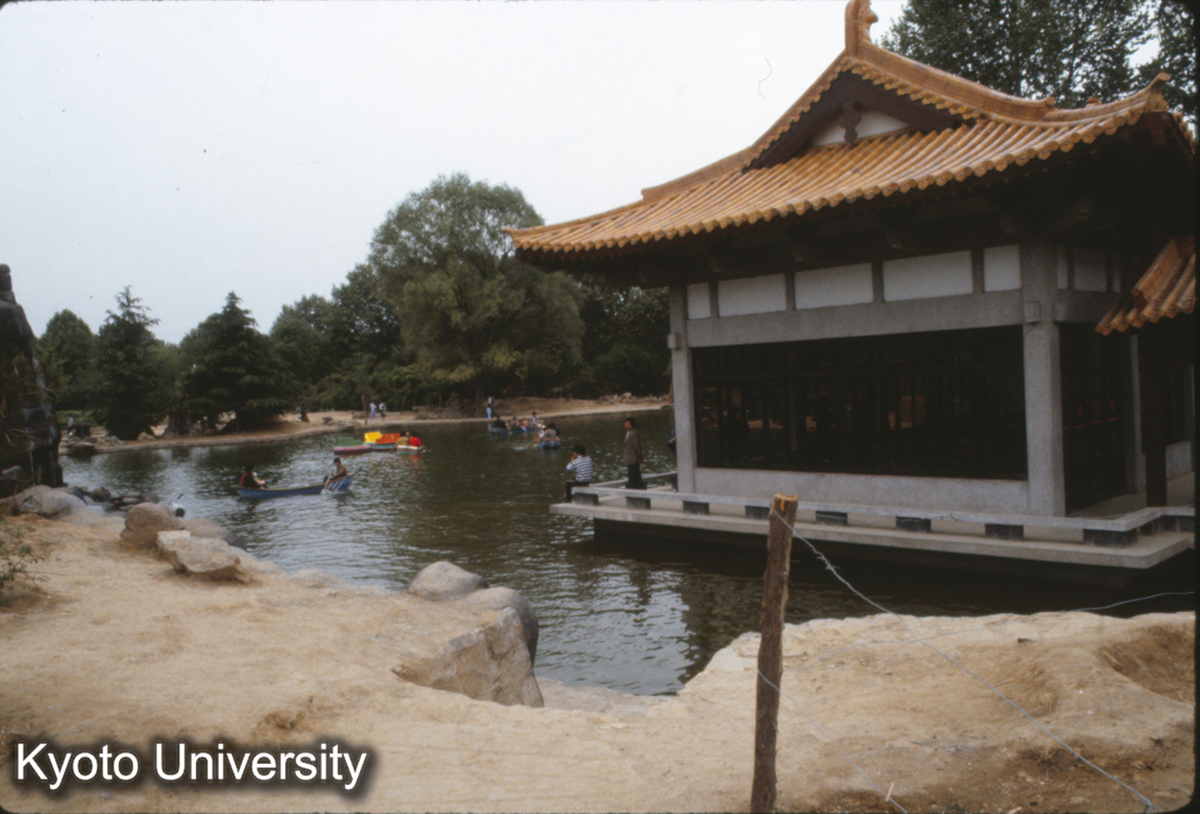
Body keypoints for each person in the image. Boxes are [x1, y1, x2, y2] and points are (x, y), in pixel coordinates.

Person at [622, 416, 645, 490]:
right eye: (625, 424)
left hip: (633, 458)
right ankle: (635, 487)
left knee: (634, 474)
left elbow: (636, 446)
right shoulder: (628, 433)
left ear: (632, 425)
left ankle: (635, 488)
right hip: (629, 459)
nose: (626, 425)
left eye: (628, 424)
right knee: (632, 474)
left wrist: (639, 457)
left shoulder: (634, 433)